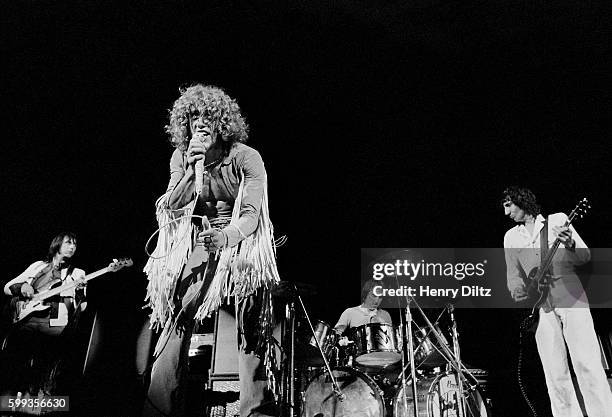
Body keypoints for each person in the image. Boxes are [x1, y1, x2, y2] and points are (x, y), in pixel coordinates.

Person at [143, 84, 280, 417]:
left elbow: (251, 215)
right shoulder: (181, 156)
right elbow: (172, 208)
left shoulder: (247, 157)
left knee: (253, 323)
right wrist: (192, 169)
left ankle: (256, 409)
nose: (200, 124)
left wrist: (227, 238)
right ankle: (160, 407)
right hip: (203, 241)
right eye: (193, 118)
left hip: (242, 243)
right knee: (176, 313)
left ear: (222, 123)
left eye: (208, 117)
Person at [501, 186, 612, 417]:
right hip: (541, 307)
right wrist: (517, 290)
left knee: (587, 363)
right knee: (554, 373)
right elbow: (512, 276)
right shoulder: (510, 237)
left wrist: (570, 243)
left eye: (508, 205)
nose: (506, 213)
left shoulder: (559, 220)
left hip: (572, 297)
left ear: (521, 201)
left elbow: (584, 257)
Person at [1, 232, 87, 396]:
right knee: (17, 362)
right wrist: (22, 288)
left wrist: (79, 292)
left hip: (54, 324)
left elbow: (82, 307)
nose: (72, 246)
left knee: (43, 368)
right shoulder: (37, 266)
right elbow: (7, 287)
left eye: (75, 244)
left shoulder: (78, 273)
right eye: (68, 242)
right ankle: (14, 398)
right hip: (27, 318)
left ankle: (36, 401)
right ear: (57, 245)